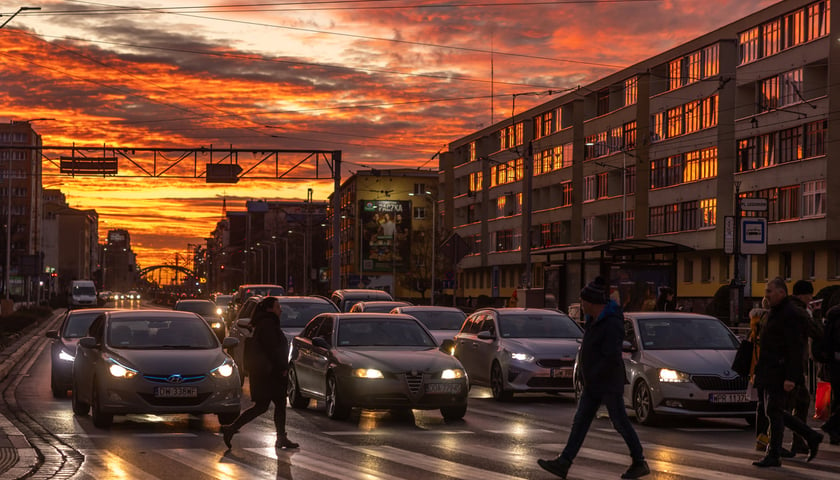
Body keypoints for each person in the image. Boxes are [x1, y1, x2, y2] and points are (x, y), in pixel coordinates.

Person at [538, 276, 649, 479]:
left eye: (582, 301)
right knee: (580, 422)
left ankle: (639, 461)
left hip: (607, 382)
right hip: (593, 382)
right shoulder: (595, 321)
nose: (581, 305)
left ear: (590, 302)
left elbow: (610, 355)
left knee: (619, 422)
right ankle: (564, 462)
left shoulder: (611, 323)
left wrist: (594, 374)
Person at [752, 277, 822, 467]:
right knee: (774, 411)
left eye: (770, 291)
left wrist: (791, 377)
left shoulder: (790, 314)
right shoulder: (775, 312)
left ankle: (776, 453)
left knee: (774, 411)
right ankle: (809, 436)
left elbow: (795, 347)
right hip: (770, 369)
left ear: (782, 293)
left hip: (781, 371)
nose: (766, 294)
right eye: (766, 291)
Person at [221, 296, 299, 450]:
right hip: (270, 374)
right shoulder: (268, 325)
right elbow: (272, 350)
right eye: (277, 307)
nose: (280, 310)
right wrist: (282, 367)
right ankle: (232, 429)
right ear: (270, 309)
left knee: (272, 405)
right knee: (267, 405)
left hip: (267, 373)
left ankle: (280, 437)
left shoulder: (265, 323)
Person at [784, 279, 824, 457]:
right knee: (783, 408)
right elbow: (817, 332)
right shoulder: (799, 311)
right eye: (810, 295)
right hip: (793, 367)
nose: (811, 298)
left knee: (799, 403)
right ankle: (777, 445)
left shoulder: (786, 309)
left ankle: (797, 442)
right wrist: (816, 314)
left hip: (788, 366)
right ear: (803, 295)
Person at [748, 297, 770, 451]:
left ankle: (761, 440)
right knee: (771, 406)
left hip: (756, 367)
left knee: (762, 404)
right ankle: (768, 440)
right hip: (768, 367)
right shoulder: (768, 322)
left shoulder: (754, 322)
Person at [820, 305, 840, 444]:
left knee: (837, 398)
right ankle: (831, 426)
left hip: (832, 364)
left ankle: (835, 432)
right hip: (837, 362)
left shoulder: (832, 316)